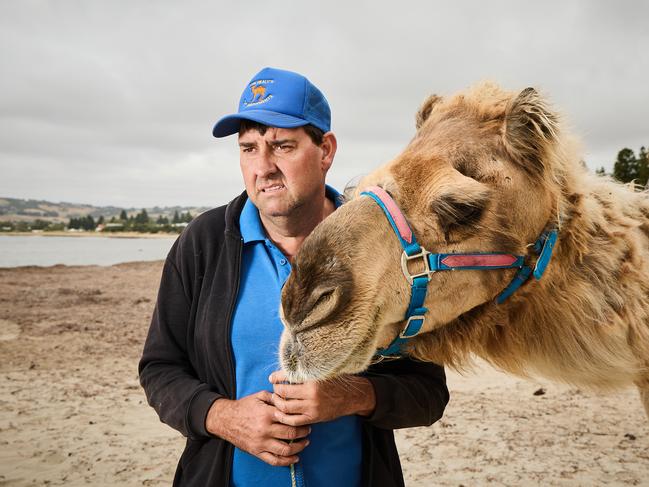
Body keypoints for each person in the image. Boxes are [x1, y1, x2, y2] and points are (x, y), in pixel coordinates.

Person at [139, 67, 449, 487]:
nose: (262, 167)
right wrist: (223, 416)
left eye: (281, 145)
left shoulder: (386, 245)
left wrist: (353, 396)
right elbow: (160, 368)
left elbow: (429, 394)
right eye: (248, 148)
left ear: (325, 151)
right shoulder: (203, 243)